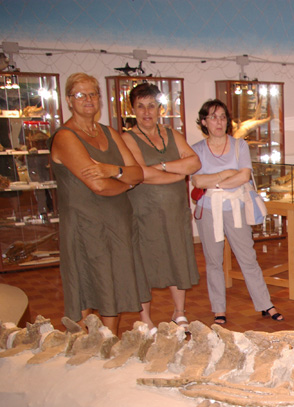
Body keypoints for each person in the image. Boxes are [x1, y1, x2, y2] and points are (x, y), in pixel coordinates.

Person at [48, 72, 145, 335]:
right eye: (80, 94)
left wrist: (112, 169)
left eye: (92, 93)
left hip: (117, 222)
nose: (88, 99)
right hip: (86, 225)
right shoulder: (66, 137)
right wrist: (126, 181)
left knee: (112, 284)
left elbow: (139, 172)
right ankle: (80, 349)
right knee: (86, 284)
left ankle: (108, 343)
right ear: (69, 100)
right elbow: (99, 186)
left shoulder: (108, 132)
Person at [190, 99, 283, 326]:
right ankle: (218, 309)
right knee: (213, 261)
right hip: (208, 210)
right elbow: (196, 180)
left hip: (236, 208)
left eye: (222, 116)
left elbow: (243, 176)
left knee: (247, 257)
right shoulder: (197, 149)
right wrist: (226, 174)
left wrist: (215, 183)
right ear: (204, 122)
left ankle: (264, 304)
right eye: (213, 117)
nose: (218, 121)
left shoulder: (239, 145)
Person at [122, 82, 201, 331]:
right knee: (144, 262)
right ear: (133, 109)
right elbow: (140, 173)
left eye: (152, 106)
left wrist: (162, 167)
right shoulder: (128, 137)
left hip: (175, 212)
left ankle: (179, 311)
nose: (147, 112)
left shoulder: (171, 134)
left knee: (178, 258)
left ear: (160, 108)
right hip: (145, 213)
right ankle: (145, 317)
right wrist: (177, 171)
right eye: (141, 106)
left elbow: (194, 163)